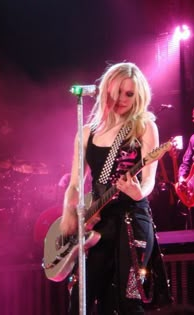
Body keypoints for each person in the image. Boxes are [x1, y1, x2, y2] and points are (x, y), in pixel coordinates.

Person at [60, 62, 172, 314]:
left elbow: (149, 179)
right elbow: (76, 184)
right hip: (98, 222)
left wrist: (138, 192)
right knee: (81, 299)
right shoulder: (87, 132)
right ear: (106, 92)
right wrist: (69, 211)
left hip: (133, 219)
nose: (122, 99)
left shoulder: (144, 126)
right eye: (117, 92)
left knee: (128, 299)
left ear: (139, 95)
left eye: (129, 94)